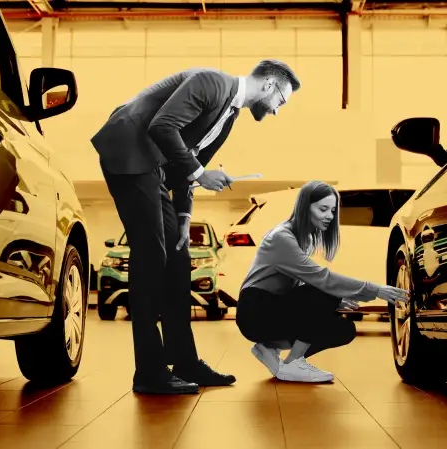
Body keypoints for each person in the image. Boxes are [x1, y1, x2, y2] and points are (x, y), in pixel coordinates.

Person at [90, 60, 301, 395]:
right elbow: (163, 126)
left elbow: (186, 161)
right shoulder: (211, 82)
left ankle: (184, 360)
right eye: (281, 102)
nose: (277, 111)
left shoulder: (229, 117)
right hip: (129, 148)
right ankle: (149, 370)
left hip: (153, 165)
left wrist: (185, 217)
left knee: (176, 257)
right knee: (151, 255)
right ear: (269, 85)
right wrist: (202, 175)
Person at [236, 181, 410, 382]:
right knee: (325, 289)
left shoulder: (304, 238)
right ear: (304, 207)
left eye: (333, 210)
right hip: (255, 311)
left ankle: (269, 347)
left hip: (273, 307)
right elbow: (322, 279)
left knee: (344, 330)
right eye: (323, 209)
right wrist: (375, 289)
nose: (330, 216)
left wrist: (336, 300)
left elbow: (301, 283)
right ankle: (293, 362)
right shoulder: (281, 237)